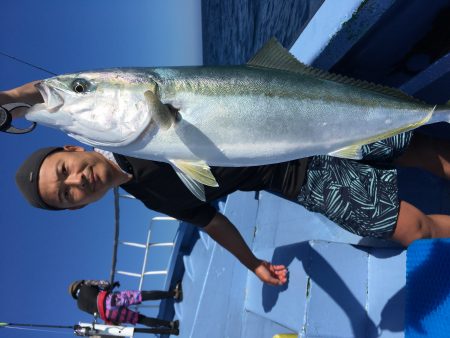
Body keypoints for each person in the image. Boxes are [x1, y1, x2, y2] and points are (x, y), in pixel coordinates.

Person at [5, 82, 450, 286]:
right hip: (293, 175)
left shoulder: (123, 122)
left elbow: (54, 94)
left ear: (70, 149)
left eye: (65, 171)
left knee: (422, 150)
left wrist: (12, 101)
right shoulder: (148, 195)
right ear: (79, 207)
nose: (78, 181)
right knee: (410, 229)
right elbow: (210, 221)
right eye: (68, 195)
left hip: (304, 121)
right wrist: (252, 263)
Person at [68, 279, 182, 335]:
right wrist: (112, 285)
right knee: (142, 296)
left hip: (109, 315)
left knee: (140, 319)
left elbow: (95, 311)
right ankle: (173, 293)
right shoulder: (86, 284)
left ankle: (170, 325)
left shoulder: (80, 306)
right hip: (111, 300)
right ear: (80, 284)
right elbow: (104, 284)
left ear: (74, 295)